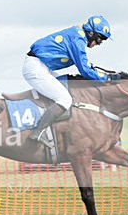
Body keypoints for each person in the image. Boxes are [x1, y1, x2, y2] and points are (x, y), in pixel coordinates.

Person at [22, 15, 118, 148]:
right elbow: (84, 69)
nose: (97, 44)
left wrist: (104, 75)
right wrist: (106, 78)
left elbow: (87, 65)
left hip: (43, 66)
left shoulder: (78, 35)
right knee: (65, 100)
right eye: (98, 39)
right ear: (91, 32)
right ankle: (38, 132)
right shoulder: (78, 39)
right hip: (36, 68)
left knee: (70, 87)